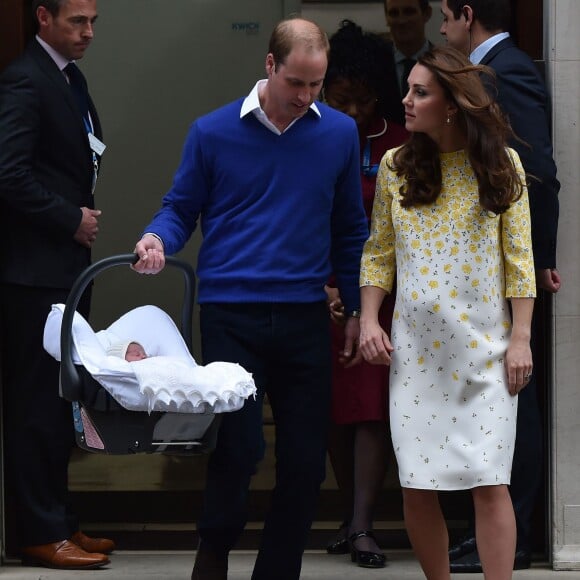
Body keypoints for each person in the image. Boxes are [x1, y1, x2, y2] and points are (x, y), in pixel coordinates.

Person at [132, 17, 368, 580]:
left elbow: (350, 230)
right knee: (238, 452)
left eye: (317, 85)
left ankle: (277, 571)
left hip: (304, 315)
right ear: (269, 66)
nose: (306, 97)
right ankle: (213, 551)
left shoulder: (337, 134)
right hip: (231, 313)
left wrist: (358, 309)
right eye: (296, 83)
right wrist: (156, 238)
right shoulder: (212, 132)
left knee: (307, 464)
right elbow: (180, 206)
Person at [359, 46, 536, 579]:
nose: (406, 101)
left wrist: (522, 338)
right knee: (417, 483)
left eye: (421, 92)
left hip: (487, 352)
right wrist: (369, 319)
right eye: (408, 89)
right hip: (415, 355)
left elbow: (520, 261)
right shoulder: (396, 165)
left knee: (489, 480)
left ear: (454, 105)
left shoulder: (503, 164)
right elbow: (379, 251)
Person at [439, 0, 561, 571]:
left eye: (445, 16)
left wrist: (535, 264)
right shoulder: (484, 71)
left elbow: (537, 173)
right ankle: (483, 533)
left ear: (467, 14)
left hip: (510, 270)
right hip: (475, 269)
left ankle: (516, 536)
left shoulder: (509, 70)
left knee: (516, 398)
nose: (442, 29)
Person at [0, 0, 113, 571]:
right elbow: (8, 173)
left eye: (93, 21)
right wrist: (70, 218)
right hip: (32, 274)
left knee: (65, 399)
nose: (88, 31)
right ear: (42, 17)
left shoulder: (67, 75)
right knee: (36, 404)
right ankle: (37, 531)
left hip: (63, 271)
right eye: (77, 21)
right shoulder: (24, 80)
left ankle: (62, 520)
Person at [322, 19, 408, 569]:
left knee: (372, 409)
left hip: (383, 296)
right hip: (319, 289)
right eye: (342, 98)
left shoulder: (400, 141)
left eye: (365, 99)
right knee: (332, 410)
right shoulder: (311, 133)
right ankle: (346, 515)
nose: (354, 112)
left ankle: (362, 525)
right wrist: (326, 285)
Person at [383, 0, 434, 125]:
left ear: (427, 14)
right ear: (386, 18)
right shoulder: (376, 63)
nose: (401, 21)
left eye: (409, 12)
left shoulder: (443, 65)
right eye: (394, 13)